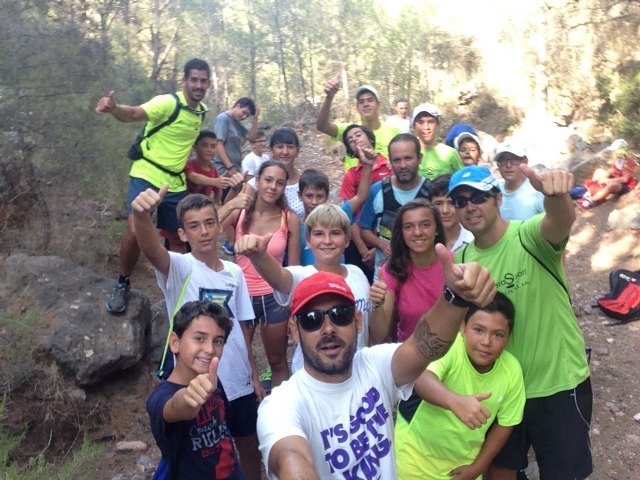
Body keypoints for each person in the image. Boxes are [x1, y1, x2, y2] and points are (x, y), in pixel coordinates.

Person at [256, 256, 496, 479]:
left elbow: (424, 346)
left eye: (341, 315)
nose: (328, 329)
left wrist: (456, 297)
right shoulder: (281, 405)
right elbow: (290, 457)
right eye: (312, 319)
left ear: (358, 322)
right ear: (294, 331)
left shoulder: (375, 365)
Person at [448, 165, 592, 479]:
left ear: (498, 199)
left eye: (479, 197)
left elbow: (560, 221)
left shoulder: (528, 235)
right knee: (500, 472)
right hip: (500, 391)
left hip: (557, 382)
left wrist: (555, 196)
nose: (470, 206)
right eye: (460, 201)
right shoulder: (461, 261)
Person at [132, 188, 262, 480]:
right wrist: (141, 216)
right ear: (182, 233)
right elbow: (151, 249)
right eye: (193, 226)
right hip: (197, 384)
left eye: (209, 223)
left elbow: (242, 328)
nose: (203, 231)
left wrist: (253, 375)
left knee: (248, 445)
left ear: (219, 225)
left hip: (237, 380)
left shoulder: (234, 272)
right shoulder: (179, 267)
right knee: (207, 453)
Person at [95, 58, 211, 314]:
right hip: (147, 173)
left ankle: (182, 291)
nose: (198, 85)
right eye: (194, 79)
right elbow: (134, 114)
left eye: (203, 81)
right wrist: (114, 108)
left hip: (175, 182)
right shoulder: (168, 102)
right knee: (136, 230)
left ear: (209, 83)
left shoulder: (201, 111)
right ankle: (122, 283)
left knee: (179, 236)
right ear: (184, 80)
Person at [394, 292, 525, 480]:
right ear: (463, 327)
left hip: (463, 467)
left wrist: (477, 468)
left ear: (508, 338)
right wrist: (455, 401)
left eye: (498, 335)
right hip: (413, 461)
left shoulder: (512, 370)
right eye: (478, 330)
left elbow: (505, 424)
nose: (486, 342)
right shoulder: (450, 347)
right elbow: (421, 377)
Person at [236, 203, 372, 372]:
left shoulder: (358, 273)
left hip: (357, 372)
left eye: (335, 233)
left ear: (347, 240)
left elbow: (368, 327)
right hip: (313, 375)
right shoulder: (301, 276)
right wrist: (260, 256)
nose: (327, 241)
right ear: (308, 241)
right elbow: (278, 277)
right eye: (319, 234)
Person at [146, 300, 247, 479]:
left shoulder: (213, 381)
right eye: (199, 338)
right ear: (175, 342)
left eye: (218, 341)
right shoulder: (160, 396)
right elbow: (174, 407)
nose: (210, 349)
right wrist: (188, 398)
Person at [230, 160, 301, 388]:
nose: (273, 187)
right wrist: (232, 197)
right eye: (268, 180)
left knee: (277, 360)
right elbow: (215, 225)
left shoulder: (289, 219)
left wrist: (294, 310)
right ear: (258, 180)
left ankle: (282, 405)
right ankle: (244, 402)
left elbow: (294, 268)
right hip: (242, 294)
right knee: (237, 357)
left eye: (279, 183)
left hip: (275, 297)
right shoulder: (241, 211)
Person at [368, 199, 447, 344]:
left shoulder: (452, 263)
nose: (417, 232)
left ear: (437, 229)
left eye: (425, 225)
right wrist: (377, 304)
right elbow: (379, 335)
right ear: (401, 233)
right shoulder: (391, 270)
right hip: (409, 352)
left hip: (453, 352)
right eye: (408, 227)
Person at [359, 133, 431, 278]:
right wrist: (382, 244)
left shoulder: (432, 191)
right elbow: (364, 228)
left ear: (420, 158)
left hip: (423, 277)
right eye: (397, 160)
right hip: (384, 278)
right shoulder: (377, 190)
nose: (403, 165)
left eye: (408, 158)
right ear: (390, 162)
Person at [316, 73, 401, 171]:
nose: (366, 104)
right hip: (354, 180)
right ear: (357, 107)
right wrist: (329, 97)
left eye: (370, 100)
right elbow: (322, 126)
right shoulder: (350, 131)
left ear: (378, 104)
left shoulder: (394, 132)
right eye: (361, 102)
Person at [185, 130, 245, 204]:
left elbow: (218, 191)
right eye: (204, 145)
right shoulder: (189, 164)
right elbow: (193, 177)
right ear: (195, 146)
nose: (209, 150)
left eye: (213, 146)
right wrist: (215, 181)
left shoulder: (212, 168)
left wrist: (215, 206)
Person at [411, 103, 463, 180]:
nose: (426, 127)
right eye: (421, 122)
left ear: (438, 124)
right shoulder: (408, 154)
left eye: (431, 122)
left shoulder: (450, 153)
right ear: (414, 126)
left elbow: (462, 181)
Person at [494, 143, 545, 221]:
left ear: (525, 161)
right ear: (498, 164)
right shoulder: (495, 191)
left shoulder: (537, 190)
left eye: (514, 160)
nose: (508, 165)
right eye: (503, 160)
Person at [212, 97, 260, 175]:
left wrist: (256, 118)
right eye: (244, 112)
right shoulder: (223, 118)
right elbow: (218, 144)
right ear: (238, 106)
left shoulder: (237, 123)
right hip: (223, 169)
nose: (244, 117)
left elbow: (251, 138)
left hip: (234, 169)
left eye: (247, 116)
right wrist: (230, 167)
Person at [580, 144, 637, 209]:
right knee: (598, 172)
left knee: (612, 185)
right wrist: (603, 178)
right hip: (617, 179)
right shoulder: (618, 160)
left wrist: (607, 180)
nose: (613, 153)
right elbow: (611, 170)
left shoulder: (628, 162)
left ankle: (592, 200)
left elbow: (625, 179)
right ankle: (591, 193)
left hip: (626, 186)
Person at [428, 174, 474, 252]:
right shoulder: (424, 241)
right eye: (438, 204)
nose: (445, 210)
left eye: (451, 203)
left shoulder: (474, 240)